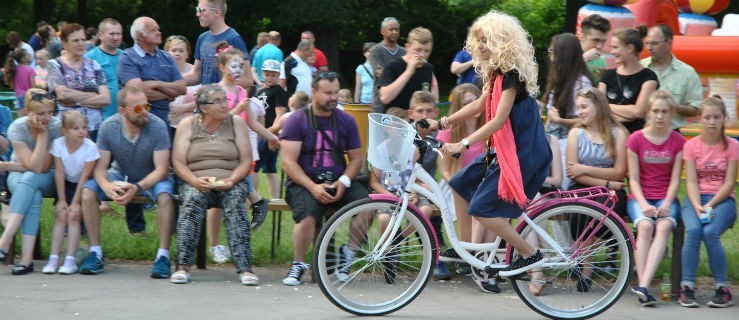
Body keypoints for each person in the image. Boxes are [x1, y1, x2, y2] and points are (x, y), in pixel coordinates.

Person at [433, 10, 552, 278]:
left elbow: (498, 121)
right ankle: (468, 248)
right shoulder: (495, 75)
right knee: (460, 185)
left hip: (525, 153)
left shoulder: (512, 77)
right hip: (506, 150)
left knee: (482, 209)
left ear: (502, 43)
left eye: (486, 40)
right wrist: (440, 123)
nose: (480, 46)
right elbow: (478, 105)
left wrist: (462, 144)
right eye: (479, 41)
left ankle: (529, 253)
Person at [280, 72, 369, 286]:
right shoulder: (296, 120)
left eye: (336, 92)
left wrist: (344, 182)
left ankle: (347, 254)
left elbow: (357, 158)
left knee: (367, 206)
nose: (333, 97)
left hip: (339, 180)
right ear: (313, 92)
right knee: (309, 217)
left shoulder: (345, 119)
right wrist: (312, 187)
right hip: (304, 182)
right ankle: (299, 263)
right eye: (327, 93)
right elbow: (288, 162)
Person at [79, 84, 176, 278]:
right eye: (138, 108)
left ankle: (163, 255)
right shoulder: (109, 127)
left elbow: (162, 169)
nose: (144, 112)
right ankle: (95, 252)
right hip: (120, 174)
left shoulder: (157, 126)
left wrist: (138, 187)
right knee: (88, 192)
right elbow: (100, 167)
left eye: (146, 106)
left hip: (152, 177)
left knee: (165, 196)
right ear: (123, 111)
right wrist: (106, 186)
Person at [170, 84, 258, 285]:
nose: (224, 105)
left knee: (236, 201)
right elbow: (179, 162)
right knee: (193, 201)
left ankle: (245, 268)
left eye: (225, 100)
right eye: (217, 101)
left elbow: (246, 161)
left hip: (230, 180)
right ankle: (183, 265)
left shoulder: (236, 123)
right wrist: (194, 181)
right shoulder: (188, 124)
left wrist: (232, 179)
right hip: (196, 181)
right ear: (203, 107)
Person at [205, 43, 277, 262]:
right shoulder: (213, 92)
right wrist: (235, 110)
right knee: (216, 202)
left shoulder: (243, 91)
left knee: (240, 201)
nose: (238, 71)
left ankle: (237, 244)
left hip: (241, 155)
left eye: (241, 67)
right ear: (222, 66)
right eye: (234, 66)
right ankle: (214, 244)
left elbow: (251, 122)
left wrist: (271, 136)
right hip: (220, 155)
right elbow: (211, 124)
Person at [437, 83, 499, 292]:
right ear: (459, 107)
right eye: (467, 103)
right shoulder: (449, 134)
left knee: (488, 198)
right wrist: (457, 182)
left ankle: (482, 259)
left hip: (484, 181)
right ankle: (473, 254)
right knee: (464, 193)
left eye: (475, 101)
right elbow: (445, 171)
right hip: (456, 182)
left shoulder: (489, 129)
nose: (473, 105)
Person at [626, 90, 686, 306]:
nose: (660, 116)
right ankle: (643, 285)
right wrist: (643, 205)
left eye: (665, 112)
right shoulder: (636, 139)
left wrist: (668, 203)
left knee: (662, 227)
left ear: (671, 114)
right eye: (656, 111)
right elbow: (633, 179)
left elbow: (675, 181)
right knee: (644, 228)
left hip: (665, 197)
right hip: (640, 197)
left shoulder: (678, 141)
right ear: (648, 113)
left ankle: (643, 284)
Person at [565, 88, 628, 291]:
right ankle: (587, 268)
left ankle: (585, 267)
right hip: (585, 187)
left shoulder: (618, 134)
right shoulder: (576, 133)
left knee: (602, 213)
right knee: (581, 213)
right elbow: (573, 173)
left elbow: (619, 171)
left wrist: (586, 169)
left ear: (598, 107)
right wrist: (606, 183)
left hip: (610, 192)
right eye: (578, 108)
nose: (580, 112)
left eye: (584, 107)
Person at [678, 96, 737, 308]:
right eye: (708, 117)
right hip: (695, 199)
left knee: (710, 232)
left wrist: (711, 205)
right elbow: (691, 182)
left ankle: (722, 288)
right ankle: (687, 287)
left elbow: (729, 183)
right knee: (693, 230)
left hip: (723, 200)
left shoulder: (732, 146)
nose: (712, 122)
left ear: (724, 119)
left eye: (717, 117)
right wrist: (697, 205)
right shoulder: (691, 146)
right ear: (700, 119)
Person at [0, 89, 62, 275]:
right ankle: (26, 260)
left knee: (30, 178)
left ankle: (5, 240)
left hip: (49, 176)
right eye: (41, 113)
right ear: (28, 112)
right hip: (22, 177)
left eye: (50, 112)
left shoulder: (55, 127)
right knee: (31, 191)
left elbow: (41, 167)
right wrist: (15, 167)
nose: (47, 117)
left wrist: (43, 134)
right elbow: (31, 165)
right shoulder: (17, 128)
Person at [42, 110, 99, 275]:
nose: (82, 131)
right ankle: (53, 258)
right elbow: (59, 172)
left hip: (83, 183)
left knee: (73, 216)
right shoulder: (58, 144)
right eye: (76, 128)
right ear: (65, 131)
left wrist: (75, 202)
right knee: (61, 214)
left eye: (84, 127)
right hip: (65, 183)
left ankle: (70, 260)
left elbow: (85, 175)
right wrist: (61, 200)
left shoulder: (90, 148)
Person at [118, 16, 187, 132]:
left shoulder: (166, 57)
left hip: (164, 124)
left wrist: (156, 84)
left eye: (158, 29)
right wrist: (169, 95)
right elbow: (139, 93)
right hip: (138, 125)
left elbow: (182, 88)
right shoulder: (127, 58)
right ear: (140, 36)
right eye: (153, 30)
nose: (159, 33)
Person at [544, 33, 593, 190]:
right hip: (553, 139)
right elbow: (550, 117)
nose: (549, 52)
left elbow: (588, 120)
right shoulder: (558, 79)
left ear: (564, 53)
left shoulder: (581, 83)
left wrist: (560, 121)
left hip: (570, 141)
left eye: (553, 50)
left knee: (559, 187)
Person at [47, 23, 111, 141]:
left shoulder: (94, 65)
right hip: (66, 130)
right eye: (76, 40)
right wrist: (93, 96)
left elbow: (106, 99)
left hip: (94, 129)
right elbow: (63, 95)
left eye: (83, 39)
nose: (81, 44)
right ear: (64, 43)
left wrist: (75, 102)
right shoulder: (55, 65)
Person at [640, 24, 703, 131]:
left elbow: (696, 108)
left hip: (673, 134)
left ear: (669, 43)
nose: (649, 48)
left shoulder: (687, 73)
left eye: (654, 43)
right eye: (647, 43)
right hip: (642, 132)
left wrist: (673, 107)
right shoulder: (640, 68)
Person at [598, 26, 658, 134]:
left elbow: (638, 112)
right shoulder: (607, 76)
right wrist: (629, 113)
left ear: (630, 48)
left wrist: (606, 106)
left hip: (635, 138)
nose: (612, 51)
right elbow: (598, 110)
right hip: (608, 137)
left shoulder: (649, 77)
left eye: (615, 47)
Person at [186, 0, 253, 88]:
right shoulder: (202, 38)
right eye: (197, 9)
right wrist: (172, 80)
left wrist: (216, 89)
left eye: (202, 10)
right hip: (206, 99)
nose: (198, 14)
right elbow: (196, 75)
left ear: (216, 12)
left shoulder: (234, 39)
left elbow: (247, 80)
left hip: (223, 100)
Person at [377, 27, 439, 111]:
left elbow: (430, 100)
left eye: (427, 51)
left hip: (418, 121)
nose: (422, 55)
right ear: (407, 47)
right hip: (395, 120)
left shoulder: (428, 68)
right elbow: (385, 98)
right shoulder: (393, 65)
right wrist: (409, 72)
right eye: (418, 50)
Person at [255, 59, 288, 200]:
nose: (270, 78)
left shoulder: (279, 91)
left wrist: (271, 135)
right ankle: (275, 199)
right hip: (262, 132)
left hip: (269, 133)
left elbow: (280, 115)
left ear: (278, 75)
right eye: (267, 74)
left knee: (254, 166)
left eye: (273, 75)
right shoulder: (262, 90)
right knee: (270, 167)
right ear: (263, 74)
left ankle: (253, 198)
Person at [85, 18, 124, 120]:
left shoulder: (126, 57)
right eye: (111, 34)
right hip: (101, 118)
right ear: (100, 35)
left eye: (118, 34)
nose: (116, 37)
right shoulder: (89, 58)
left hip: (125, 117)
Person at [369, 17, 406, 113]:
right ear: (383, 31)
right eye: (391, 29)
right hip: (380, 102)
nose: (394, 32)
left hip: (401, 101)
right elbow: (380, 74)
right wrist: (402, 74)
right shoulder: (375, 51)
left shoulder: (404, 52)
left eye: (396, 29)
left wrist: (388, 72)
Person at [165, 35, 199, 129]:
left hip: (192, 124)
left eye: (181, 51)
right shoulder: (161, 72)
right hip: (167, 123)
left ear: (187, 54)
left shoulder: (195, 72)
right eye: (174, 50)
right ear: (166, 53)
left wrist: (184, 108)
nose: (177, 53)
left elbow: (205, 98)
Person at [3, 48, 36, 117]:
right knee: (30, 117)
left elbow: (13, 85)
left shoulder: (14, 70)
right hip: (28, 96)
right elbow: (33, 87)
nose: (30, 55)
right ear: (23, 59)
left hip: (18, 96)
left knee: (21, 118)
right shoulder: (30, 70)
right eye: (28, 54)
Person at [580, 14, 611, 80]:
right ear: (582, 37)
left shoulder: (601, 60)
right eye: (596, 40)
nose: (599, 46)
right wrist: (582, 59)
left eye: (603, 41)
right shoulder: (567, 51)